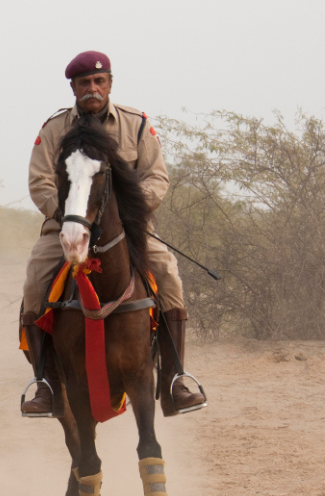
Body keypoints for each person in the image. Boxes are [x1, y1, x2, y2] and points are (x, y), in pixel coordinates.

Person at [19, 50, 205, 416]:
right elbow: (39, 180)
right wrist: (69, 215)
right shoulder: (54, 129)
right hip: (68, 225)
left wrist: (129, 211)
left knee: (167, 273)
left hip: (127, 228)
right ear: (73, 87)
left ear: (110, 84)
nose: (92, 88)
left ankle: (174, 379)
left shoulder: (136, 124)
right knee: (34, 283)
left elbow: (156, 176)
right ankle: (47, 384)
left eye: (99, 81)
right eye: (84, 82)